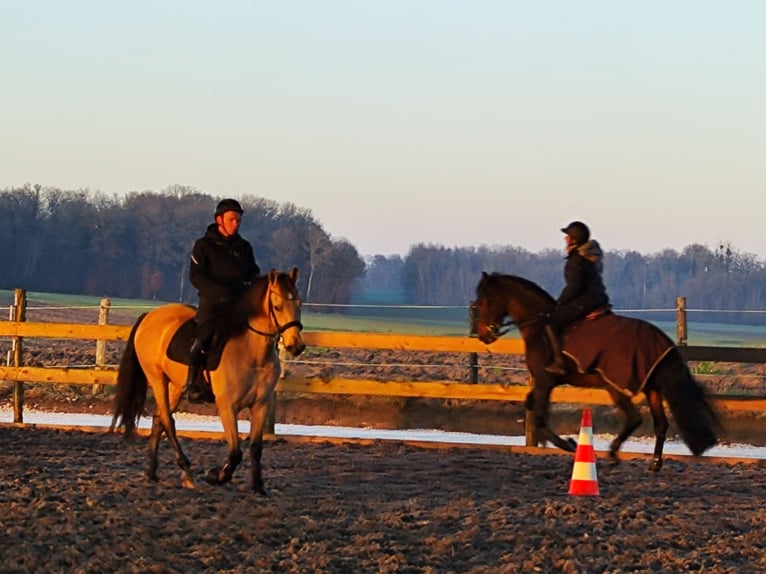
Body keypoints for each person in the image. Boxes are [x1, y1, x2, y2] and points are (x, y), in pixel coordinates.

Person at [185, 198, 261, 402]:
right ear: (219, 220)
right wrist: (220, 292)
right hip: (213, 305)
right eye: (231, 220)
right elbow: (196, 276)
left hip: (240, 305)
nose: (235, 224)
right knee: (205, 336)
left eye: (238, 221)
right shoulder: (203, 246)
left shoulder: (244, 247)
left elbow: (253, 271)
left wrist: (252, 285)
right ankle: (192, 384)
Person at [544, 220, 611, 376]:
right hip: (598, 298)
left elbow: (574, 288)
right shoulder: (589, 256)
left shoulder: (576, 261)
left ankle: (559, 362)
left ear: (574, 240)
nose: (565, 239)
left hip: (587, 301)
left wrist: (558, 304)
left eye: (567, 236)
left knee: (550, 323)